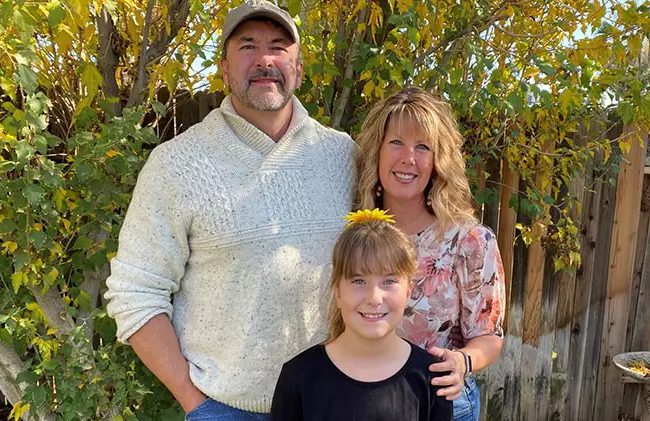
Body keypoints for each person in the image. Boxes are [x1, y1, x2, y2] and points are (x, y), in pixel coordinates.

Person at [103, 0, 355, 419]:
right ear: (223, 69)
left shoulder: (342, 156)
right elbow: (135, 293)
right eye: (248, 46)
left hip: (338, 403)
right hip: (226, 409)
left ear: (299, 67)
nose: (265, 60)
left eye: (278, 46)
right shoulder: (176, 165)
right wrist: (196, 404)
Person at [354, 87, 506, 421]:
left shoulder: (469, 241)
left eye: (423, 146)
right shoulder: (354, 233)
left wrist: (463, 361)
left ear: (438, 161)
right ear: (376, 150)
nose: (408, 157)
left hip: (439, 402)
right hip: (359, 399)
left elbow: (488, 337)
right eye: (396, 142)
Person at [270, 209, 454, 421]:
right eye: (358, 281)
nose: (374, 298)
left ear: (408, 292)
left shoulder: (432, 378)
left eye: (389, 281)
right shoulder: (298, 377)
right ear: (337, 292)